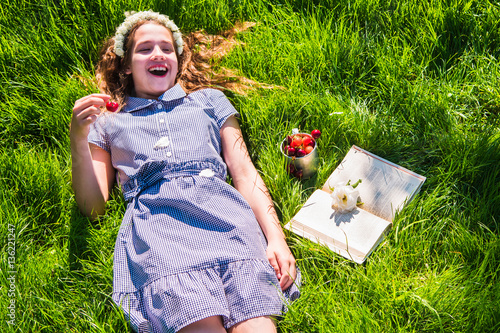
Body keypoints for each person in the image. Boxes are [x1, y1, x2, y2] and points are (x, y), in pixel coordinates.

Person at [70, 10, 300, 333]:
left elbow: (245, 174)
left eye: (166, 48)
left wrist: (276, 237)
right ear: (125, 65)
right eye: (144, 48)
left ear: (177, 61)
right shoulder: (109, 122)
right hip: (162, 235)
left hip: (228, 224)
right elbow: (93, 207)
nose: (158, 54)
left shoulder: (209, 101)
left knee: (258, 328)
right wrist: (79, 139)